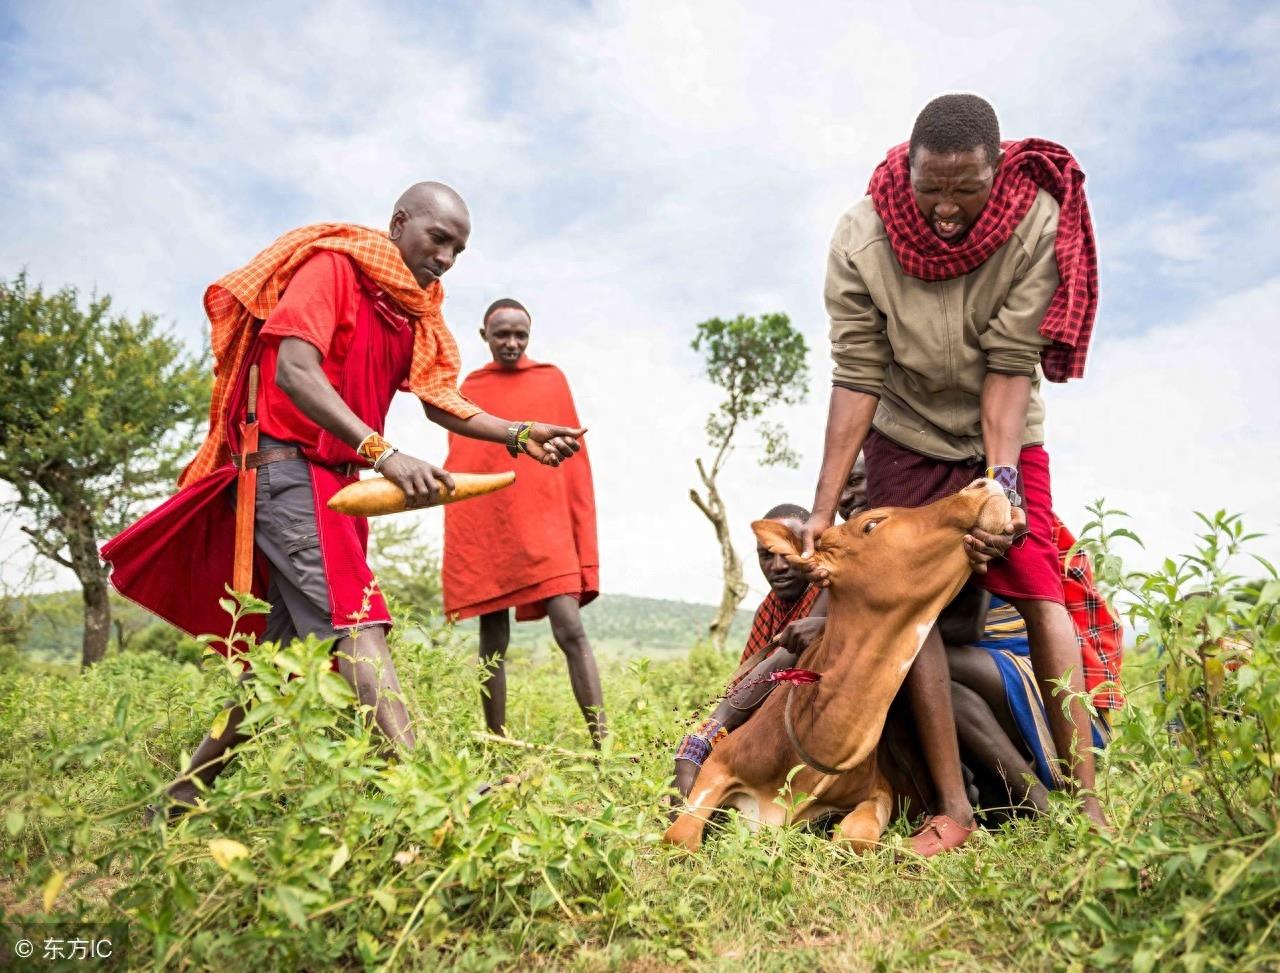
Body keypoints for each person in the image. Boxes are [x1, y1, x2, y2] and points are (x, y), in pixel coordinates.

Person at [102, 183, 588, 820]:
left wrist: (518, 434)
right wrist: (382, 452)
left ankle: (179, 799)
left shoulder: (412, 310)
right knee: (357, 620)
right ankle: (430, 797)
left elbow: (441, 400)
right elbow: (294, 371)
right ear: (399, 222)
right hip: (289, 471)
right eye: (438, 239)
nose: (445, 258)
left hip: (336, 484)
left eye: (458, 250)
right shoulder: (334, 268)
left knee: (281, 661)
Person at [800, 92, 1105, 854]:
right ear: (905, 169)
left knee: (1040, 591)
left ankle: (1089, 803)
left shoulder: (1036, 222)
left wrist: (1001, 489)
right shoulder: (860, 236)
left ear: (996, 173)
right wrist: (823, 508)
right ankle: (952, 807)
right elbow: (857, 374)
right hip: (905, 433)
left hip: (1001, 429)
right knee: (914, 606)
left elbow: (1010, 365)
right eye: (928, 188)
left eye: (964, 189)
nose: (944, 208)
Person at [441, 299, 606, 745]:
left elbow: (574, 463)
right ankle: (498, 741)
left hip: (545, 523)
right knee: (492, 637)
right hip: (491, 524)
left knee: (569, 627)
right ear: (484, 336)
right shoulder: (470, 387)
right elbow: (466, 460)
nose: (511, 343)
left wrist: (573, 524)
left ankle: (603, 744)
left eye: (520, 335)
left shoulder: (551, 380)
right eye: (502, 335)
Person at [948, 516, 1123, 815]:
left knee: (916, 665)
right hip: (1000, 687)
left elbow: (969, 628)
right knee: (942, 689)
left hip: (1052, 692)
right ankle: (1017, 799)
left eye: (864, 487)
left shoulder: (992, 521)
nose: (858, 499)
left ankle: (1042, 803)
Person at [670, 502, 828, 798]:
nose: (777, 566)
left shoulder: (832, 591)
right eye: (766, 556)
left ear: (811, 549)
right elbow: (747, 686)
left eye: (788, 553)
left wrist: (707, 734)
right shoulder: (768, 609)